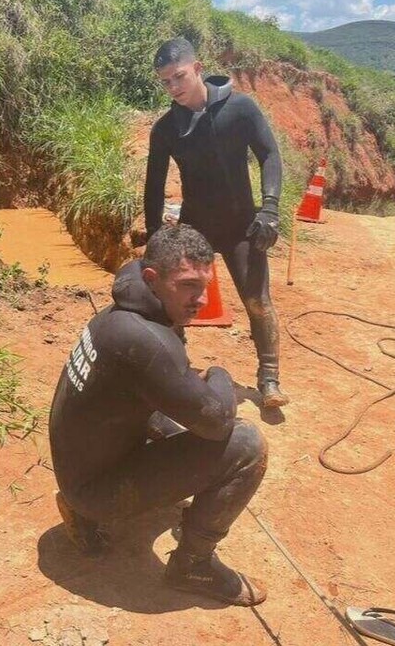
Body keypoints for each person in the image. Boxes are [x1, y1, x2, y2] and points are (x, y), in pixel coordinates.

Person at [48, 224, 269, 606]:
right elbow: (217, 422)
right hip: (94, 488)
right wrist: (221, 373)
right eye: (187, 286)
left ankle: (81, 506)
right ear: (152, 278)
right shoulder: (145, 339)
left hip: (81, 464)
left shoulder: (125, 311)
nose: (200, 300)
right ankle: (193, 566)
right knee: (246, 444)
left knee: (181, 423)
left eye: (204, 286)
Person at [144, 37, 290, 408]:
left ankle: (269, 380)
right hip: (196, 227)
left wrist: (270, 208)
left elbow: (269, 154)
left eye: (178, 77)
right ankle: (176, 371)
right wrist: (154, 236)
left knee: (257, 300)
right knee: (174, 299)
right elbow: (154, 185)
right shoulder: (166, 130)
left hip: (243, 224)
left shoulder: (240, 109)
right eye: (165, 82)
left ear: (197, 68)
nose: (173, 88)